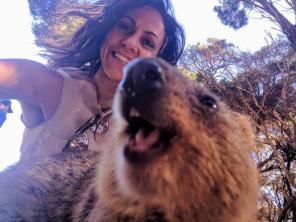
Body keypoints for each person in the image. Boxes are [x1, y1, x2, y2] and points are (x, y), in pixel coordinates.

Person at [0, 0, 185, 160]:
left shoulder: (144, 132)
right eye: (125, 27)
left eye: (147, 43)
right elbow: (15, 76)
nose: (130, 43)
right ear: (107, 31)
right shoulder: (52, 85)